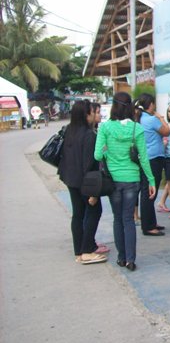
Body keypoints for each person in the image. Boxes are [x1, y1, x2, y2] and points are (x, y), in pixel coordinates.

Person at [95, 92, 156, 271]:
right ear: (130, 107)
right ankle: (131, 259)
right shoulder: (137, 129)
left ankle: (121, 257)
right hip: (132, 179)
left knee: (118, 219)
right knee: (129, 219)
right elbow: (144, 158)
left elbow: (97, 154)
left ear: (113, 106)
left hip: (113, 179)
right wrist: (151, 180)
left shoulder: (105, 128)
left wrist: (108, 152)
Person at [58, 100, 106, 265]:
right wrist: (93, 192)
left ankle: (79, 251)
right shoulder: (89, 135)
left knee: (78, 214)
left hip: (70, 178)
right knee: (94, 211)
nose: (95, 114)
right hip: (84, 182)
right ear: (86, 115)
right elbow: (89, 164)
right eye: (93, 112)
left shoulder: (70, 131)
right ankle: (87, 250)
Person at [134, 93, 170, 236]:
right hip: (153, 159)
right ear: (150, 105)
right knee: (149, 192)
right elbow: (166, 131)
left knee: (147, 190)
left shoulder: (139, 119)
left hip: (144, 158)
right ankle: (148, 226)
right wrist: (161, 118)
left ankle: (151, 222)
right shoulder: (151, 119)